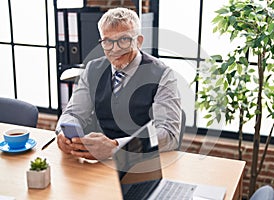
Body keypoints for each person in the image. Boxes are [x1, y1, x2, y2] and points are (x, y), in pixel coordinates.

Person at [55, 7, 181, 160]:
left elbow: (169, 134)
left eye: (124, 40)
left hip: (144, 161)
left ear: (139, 41)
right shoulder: (92, 69)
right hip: (100, 162)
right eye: (108, 41)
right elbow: (73, 113)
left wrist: (116, 146)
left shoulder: (163, 74)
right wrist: (64, 134)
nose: (115, 49)